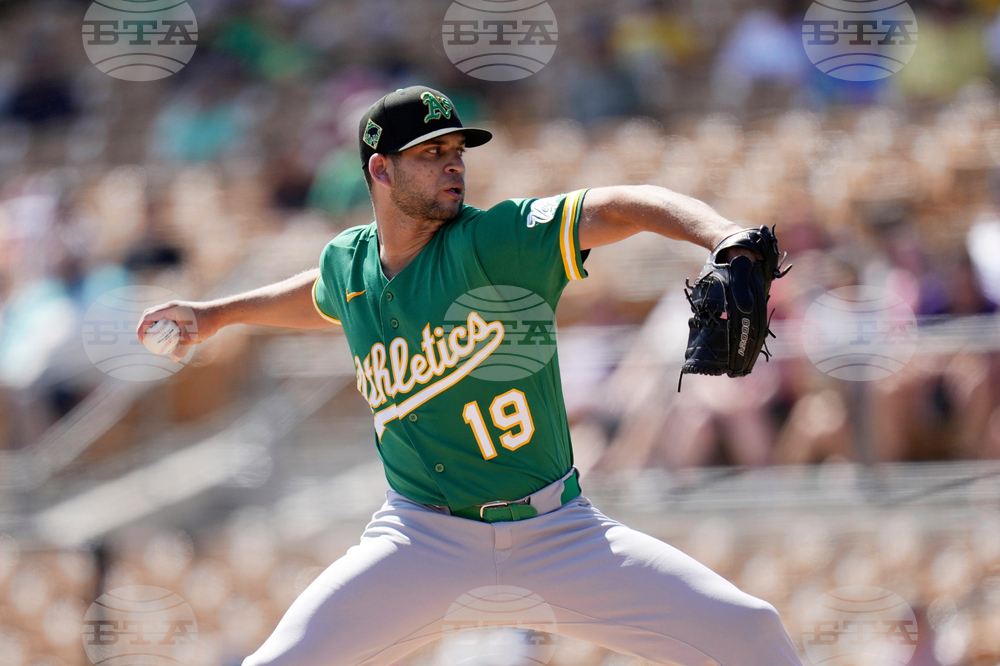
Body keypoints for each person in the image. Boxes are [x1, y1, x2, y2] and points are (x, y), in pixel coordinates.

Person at [138, 86, 801, 666]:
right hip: (420, 539)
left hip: (558, 533)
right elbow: (325, 294)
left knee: (751, 632)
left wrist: (722, 235)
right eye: (430, 153)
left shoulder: (496, 241)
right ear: (380, 169)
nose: (453, 162)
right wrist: (215, 315)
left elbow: (619, 205)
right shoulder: (349, 265)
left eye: (457, 149)